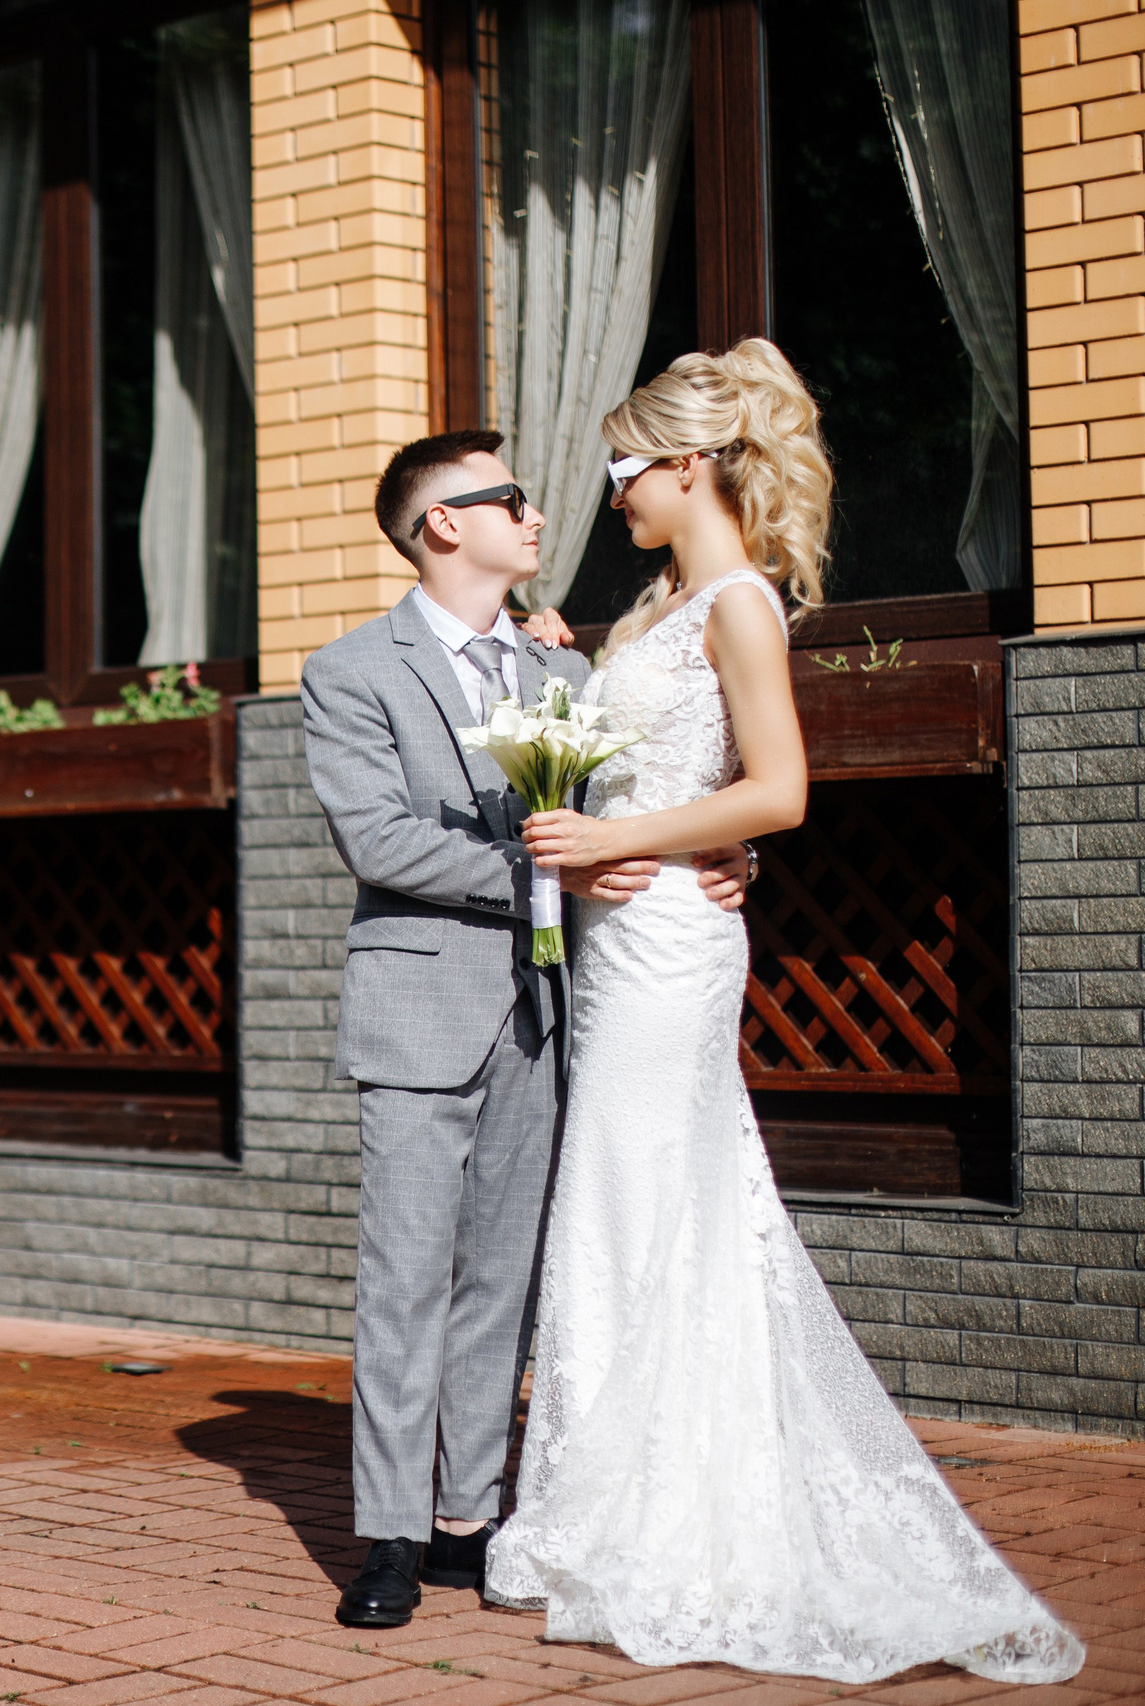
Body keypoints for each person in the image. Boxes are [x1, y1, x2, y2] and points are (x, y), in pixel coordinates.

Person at [483, 340, 1084, 1684]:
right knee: (632, 1198)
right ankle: (622, 1494)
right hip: (619, 935)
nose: (617, 491)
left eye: (628, 468)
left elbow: (783, 791)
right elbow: (650, 756)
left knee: (656, 1192)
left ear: (690, 464)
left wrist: (613, 837)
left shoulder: (738, 603)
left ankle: (684, 1517)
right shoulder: (650, 611)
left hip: (668, 946)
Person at [299, 428, 750, 1630]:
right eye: (508, 497)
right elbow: (380, 841)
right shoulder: (348, 670)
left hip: (549, 1008)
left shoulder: (562, 670)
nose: (537, 512)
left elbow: (631, 793)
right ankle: (388, 1533)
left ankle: (464, 1519)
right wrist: (544, 875)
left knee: (500, 1277)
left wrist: (719, 847)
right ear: (441, 522)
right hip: (419, 1007)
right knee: (404, 1279)